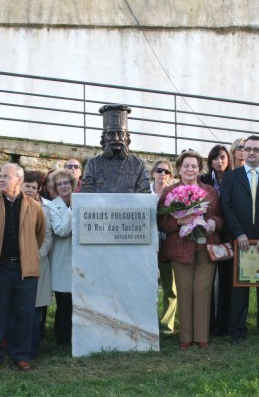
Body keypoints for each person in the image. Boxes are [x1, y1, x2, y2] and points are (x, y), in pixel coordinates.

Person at [0, 164, 45, 372]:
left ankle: (21, 355)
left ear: (18, 179)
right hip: (1, 268)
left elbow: (39, 235)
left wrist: (27, 252)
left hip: (26, 269)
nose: (1, 180)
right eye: (0, 176)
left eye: (6, 176)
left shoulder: (34, 207)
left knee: (24, 313)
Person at [158, 150, 223, 349]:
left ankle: (201, 337)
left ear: (199, 169)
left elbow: (221, 218)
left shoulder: (210, 192)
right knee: (185, 290)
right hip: (180, 249)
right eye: (186, 166)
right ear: (179, 168)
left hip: (206, 246)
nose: (190, 169)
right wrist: (179, 221)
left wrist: (213, 223)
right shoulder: (170, 192)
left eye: (194, 166)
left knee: (202, 290)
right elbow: (161, 222)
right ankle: (185, 337)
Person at [220, 135, 259, 344]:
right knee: (239, 286)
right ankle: (237, 330)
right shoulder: (231, 178)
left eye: (256, 149)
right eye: (248, 149)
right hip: (241, 239)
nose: (251, 152)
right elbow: (225, 206)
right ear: (243, 152)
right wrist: (238, 233)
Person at [80, 104, 150, 194]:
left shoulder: (138, 165)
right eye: (111, 134)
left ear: (126, 137)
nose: (116, 138)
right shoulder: (93, 164)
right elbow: (86, 193)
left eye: (120, 134)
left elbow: (144, 196)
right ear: (104, 137)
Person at [200, 145, 232, 336]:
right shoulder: (203, 180)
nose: (219, 161)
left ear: (228, 159)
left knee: (227, 281)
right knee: (209, 281)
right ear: (210, 161)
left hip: (229, 234)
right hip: (209, 234)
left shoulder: (235, 178)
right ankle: (209, 324)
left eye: (222, 157)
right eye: (215, 158)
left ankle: (224, 324)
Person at [22, 171, 53, 358]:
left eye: (34, 187)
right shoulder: (12, 206)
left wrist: (36, 256)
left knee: (35, 310)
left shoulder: (44, 209)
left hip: (38, 264)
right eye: (27, 186)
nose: (30, 190)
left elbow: (48, 237)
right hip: (16, 265)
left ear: (39, 189)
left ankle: (32, 349)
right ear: (20, 185)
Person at [47, 169, 77, 347]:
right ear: (55, 188)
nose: (63, 186)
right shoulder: (51, 206)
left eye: (66, 182)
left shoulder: (81, 201)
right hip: (62, 260)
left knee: (77, 300)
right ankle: (62, 337)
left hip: (80, 259)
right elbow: (61, 230)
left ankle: (76, 334)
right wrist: (72, 209)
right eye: (59, 184)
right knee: (63, 301)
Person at [151, 159, 177, 334]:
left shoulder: (174, 194)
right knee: (147, 285)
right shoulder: (143, 192)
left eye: (167, 172)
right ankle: (148, 323)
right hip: (147, 245)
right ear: (153, 173)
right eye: (159, 170)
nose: (163, 174)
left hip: (168, 245)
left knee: (170, 287)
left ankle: (167, 326)